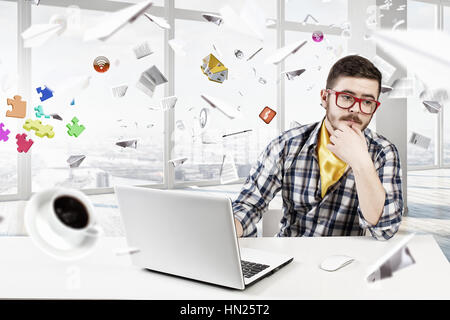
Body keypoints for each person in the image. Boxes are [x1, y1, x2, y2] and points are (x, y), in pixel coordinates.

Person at [233, 55, 403, 240]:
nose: (356, 109)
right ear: (324, 98)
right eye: (346, 97)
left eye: (367, 102)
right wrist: (231, 228)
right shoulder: (286, 145)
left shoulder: (383, 152)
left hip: (350, 261)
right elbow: (248, 204)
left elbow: (385, 230)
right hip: (290, 254)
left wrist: (361, 162)